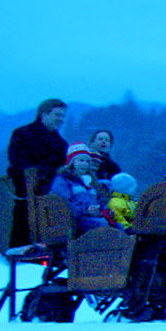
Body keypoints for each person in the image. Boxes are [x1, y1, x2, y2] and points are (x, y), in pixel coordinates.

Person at [7, 98, 68, 246]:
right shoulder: (22, 134)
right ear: (43, 114)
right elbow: (16, 161)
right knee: (24, 223)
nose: (61, 119)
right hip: (27, 192)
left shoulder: (61, 144)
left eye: (63, 116)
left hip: (53, 193)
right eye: (57, 115)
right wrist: (41, 175)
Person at [50, 143, 114, 235]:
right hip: (74, 221)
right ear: (72, 162)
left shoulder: (91, 182)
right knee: (101, 225)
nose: (85, 164)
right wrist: (86, 210)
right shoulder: (63, 180)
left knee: (118, 226)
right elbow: (63, 205)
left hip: (92, 218)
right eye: (81, 160)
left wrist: (105, 210)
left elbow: (99, 201)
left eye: (87, 161)